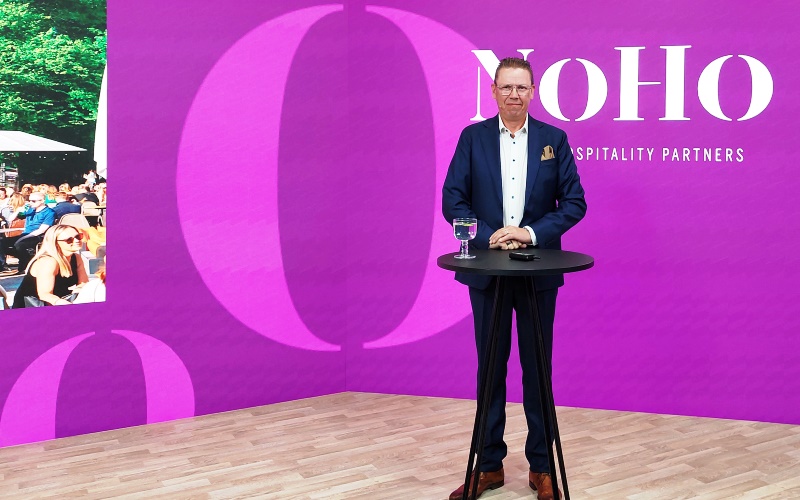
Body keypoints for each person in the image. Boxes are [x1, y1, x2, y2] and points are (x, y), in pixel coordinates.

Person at [442, 57, 586, 500]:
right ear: (493, 91)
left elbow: (574, 203)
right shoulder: (472, 138)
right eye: (506, 87)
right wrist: (490, 236)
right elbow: (453, 200)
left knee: (538, 371)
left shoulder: (554, 139)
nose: (514, 95)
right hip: (488, 271)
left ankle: (542, 467)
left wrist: (528, 233)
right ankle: (488, 466)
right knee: (490, 370)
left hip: (538, 270)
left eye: (522, 87)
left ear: (533, 91)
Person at [12, 224, 88, 308]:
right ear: (55, 243)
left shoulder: (76, 258)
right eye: (69, 240)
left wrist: (78, 293)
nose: (76, 240)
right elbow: (44, 295)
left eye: (78, 236)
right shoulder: (48, 261)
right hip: (32, 306)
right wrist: (64, 303)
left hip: (59, 300)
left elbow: (83, 284)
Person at [12, 192, 56, 274]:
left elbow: (41, 230)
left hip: (37, 236)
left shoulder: (49, 212)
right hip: (25, 234)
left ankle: (24, 266)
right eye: (29, 200)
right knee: (2, 242)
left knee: (19, 245)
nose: (30, 203)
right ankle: (28, 258)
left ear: (42, 201)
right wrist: (18, 210)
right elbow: (11, 219)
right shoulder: (30, 210)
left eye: (33, 201)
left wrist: (23, 238)